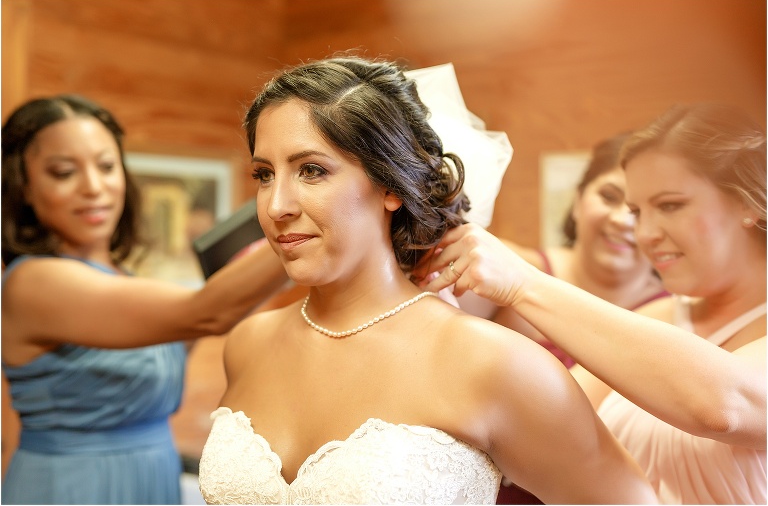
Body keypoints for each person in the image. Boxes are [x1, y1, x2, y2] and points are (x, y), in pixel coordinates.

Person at [196, 55, 658, 504]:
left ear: (390, 185)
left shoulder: (493, 363)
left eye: (312, 170)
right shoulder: (247, 345)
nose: (276, 206)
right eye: (264, 175)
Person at [422, 102, 766, 504]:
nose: (645, 232)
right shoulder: (661, 316)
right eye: (639, 211)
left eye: (670, 205)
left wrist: (523, 284)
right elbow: (547, 422)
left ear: (747, 202)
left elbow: (726, 406)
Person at [1, 94, 290, 504]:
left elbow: (195, 326)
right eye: (64, 172)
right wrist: (312, 223)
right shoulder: (33, 282)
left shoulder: (124, 277)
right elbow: (206, 313)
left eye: (106, 166)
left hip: (152, 476)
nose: (93, 187)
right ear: (24, 188)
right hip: (73, 486)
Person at [463, 132, 667, 371]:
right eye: (609, 196)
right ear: (577, 201)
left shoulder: (675, 314)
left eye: (639, 211)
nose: (622, 220)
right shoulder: (508, 268)